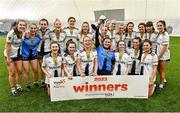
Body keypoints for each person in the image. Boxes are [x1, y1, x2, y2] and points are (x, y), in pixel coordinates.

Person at [4, 19, 26, 95]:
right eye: (21, 25)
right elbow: (8, 46)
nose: (22, 26)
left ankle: (18, 85)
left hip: (18, 54)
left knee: (20, 71)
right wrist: (8, 58)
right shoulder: (11, 33)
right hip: (10, 55)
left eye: (23, 25)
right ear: (17, 25)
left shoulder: (23, 32)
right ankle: (13, 89)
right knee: (12, 73)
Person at [21, 23, 40, 91]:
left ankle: (35, 82)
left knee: (35, 70)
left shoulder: (38, 37)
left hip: (33, 55)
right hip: (25, 55)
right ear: (29, 29)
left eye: (34, 28)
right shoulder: (25, 36)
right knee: (27, 71)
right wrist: (24, 34)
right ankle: (27, 85)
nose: (33, 29)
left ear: (36, 29)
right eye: (31, 28)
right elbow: (21, 40)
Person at [37, 18, 53, 88]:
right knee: (42, 67)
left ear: (47, 25)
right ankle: (43, 81)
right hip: (39, 51)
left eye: (45, 24)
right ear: (39, 25)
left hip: (47, 51)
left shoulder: (51, 31)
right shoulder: (37, 31)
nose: (43, 26)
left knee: (48, 67)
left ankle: (50, 80)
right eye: (42, 24)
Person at [156, 20, 170, 90]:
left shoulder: (165, 35)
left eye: (161, 25)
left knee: (161, 70)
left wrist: (159, 57)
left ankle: (161, 85)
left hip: (163, 56)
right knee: (158, 68)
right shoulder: (159, 33)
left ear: (164, 26)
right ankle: (163, 79)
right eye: (158, 26)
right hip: (158, 55)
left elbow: (164, 48)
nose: (159, 27)